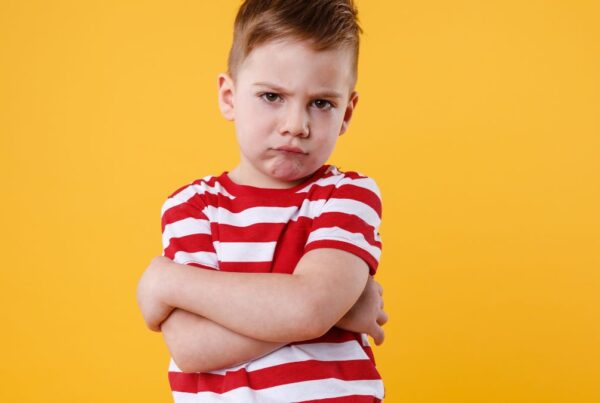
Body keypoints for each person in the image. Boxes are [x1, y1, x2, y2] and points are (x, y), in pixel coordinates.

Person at [136, 0, 388, 401]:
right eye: (272, 96)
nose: (296, 126)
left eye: (321, 103)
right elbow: (192, 347)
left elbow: (310, 309)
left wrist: (168, 281)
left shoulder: (347, 196)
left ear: (347, 112)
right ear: (229, 97)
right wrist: (336, 315)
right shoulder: (192, 207)